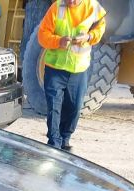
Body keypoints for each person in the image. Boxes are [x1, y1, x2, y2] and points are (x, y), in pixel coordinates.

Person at [37, 0, 106, 151]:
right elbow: (42, 35)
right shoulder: (56, 7)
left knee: (74, 107)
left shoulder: (92, 7)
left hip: (79, 69)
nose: (71, 1)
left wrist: (88, 37)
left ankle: (65, 138)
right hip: (55, 67)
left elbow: (100, 29)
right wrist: (58, 41)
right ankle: (54, 142)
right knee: (54, 106)